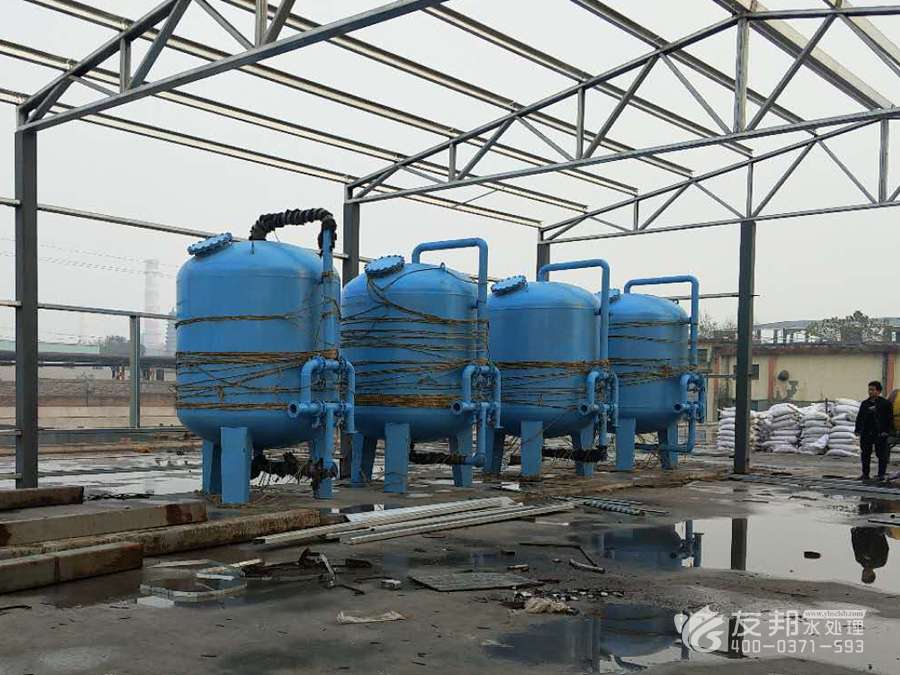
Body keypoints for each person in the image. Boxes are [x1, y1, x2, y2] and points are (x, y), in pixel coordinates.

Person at [855, 380, 893, 481]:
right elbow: (860, 417)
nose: (870, 392)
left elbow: (890, 419)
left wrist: (887, 431)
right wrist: (857, 429)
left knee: (882, 455)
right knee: (865, 454)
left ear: (878, 391)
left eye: (872, 390)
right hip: (867, 432)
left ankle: (881, 474)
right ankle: (865, 474)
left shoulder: (885, 404)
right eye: (869, 390)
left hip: (880, 433)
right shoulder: (865, 404)